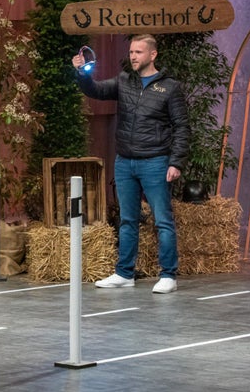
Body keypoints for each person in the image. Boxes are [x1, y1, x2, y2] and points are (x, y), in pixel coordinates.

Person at [72, 34, 190, 294]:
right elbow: (95, 90)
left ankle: (168, 275)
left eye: (138, 52)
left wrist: (176, 162)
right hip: (125, 161)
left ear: (152, 54)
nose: (133, 56)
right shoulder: (125, 81)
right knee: (127, 219)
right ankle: (125, 273)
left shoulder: (170, 87)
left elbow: (182, 127)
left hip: (156, 161)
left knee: (163, 220)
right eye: (131, 52)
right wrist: (82, 73)